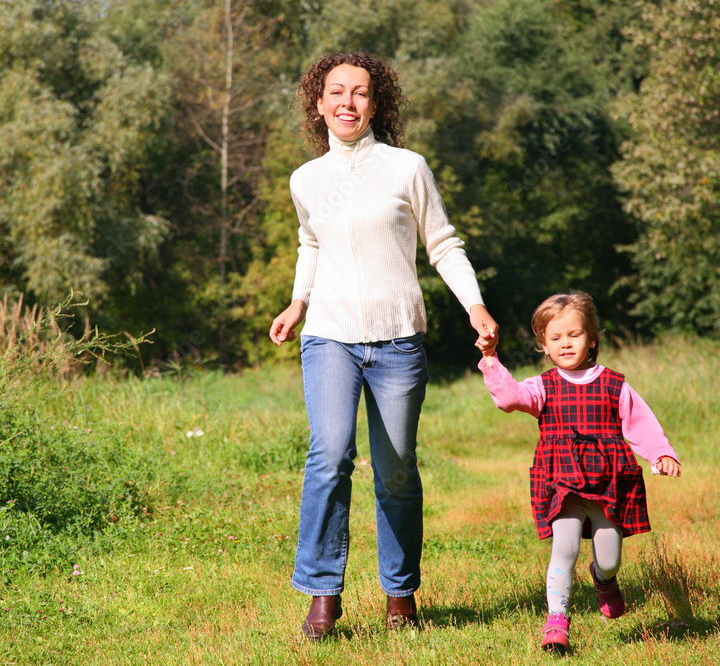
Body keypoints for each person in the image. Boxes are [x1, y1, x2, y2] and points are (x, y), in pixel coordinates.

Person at [269, 51, 498, 640]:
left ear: (377, 103)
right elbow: (310, 245)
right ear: (318, 105)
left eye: (361, 92)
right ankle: (322, 593)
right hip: (329, 338)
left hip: (397, 342)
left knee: (396, 471)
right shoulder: (306, 179)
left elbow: (443, 244)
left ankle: (400, 593)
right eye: (336, 92)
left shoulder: (406, 167)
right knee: (330, 456)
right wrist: (298, 302)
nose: (348, 102)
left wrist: (474, 305)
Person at [475, 291, 681, 654]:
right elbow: (509, 399)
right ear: (543, 344)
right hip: (562, 483)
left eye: (574, 335)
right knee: (564, 547)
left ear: (592, 337)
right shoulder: (543, 386)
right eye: (555, 337)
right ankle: (557, 621)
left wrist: (661, 453)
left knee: (610, 556)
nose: (565, 343)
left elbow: (640, 424)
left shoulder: (614, 384)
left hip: (608, 481)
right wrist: (490, 357)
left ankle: (603, 580)